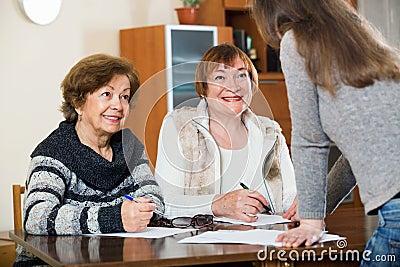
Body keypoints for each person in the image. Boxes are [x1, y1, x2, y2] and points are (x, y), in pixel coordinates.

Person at [252, 0, 400, 260]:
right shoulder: (366, 43)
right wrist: (317, 205)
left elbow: (310, 140)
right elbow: (360, 151)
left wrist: (311, 221)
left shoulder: (296, 42)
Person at [15, 54, 164, 266]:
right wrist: (114, 217)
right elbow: (37, 217)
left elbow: (154, 199)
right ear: (78, 103)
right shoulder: (53, 151)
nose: (118, 106)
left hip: (117, 259)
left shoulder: (129, 145)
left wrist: (140, 211)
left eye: (124, 97)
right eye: (107, 94)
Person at [154, 43, 296, 222]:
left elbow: (290, 198)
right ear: (204, 88)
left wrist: (302, 208)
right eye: (220, 77)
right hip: (201, 246)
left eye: (241, 75)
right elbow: (163, 203)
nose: (234, 86)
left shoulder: (270, 132)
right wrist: (218, 205)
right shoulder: (179, 125)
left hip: (266, 241)